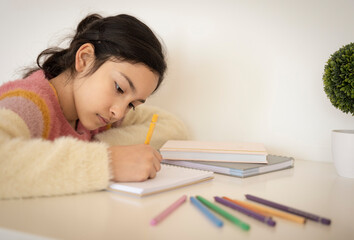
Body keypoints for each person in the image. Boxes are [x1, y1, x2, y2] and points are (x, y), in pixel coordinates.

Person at [0, 13, 188, 199]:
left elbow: (173, 127)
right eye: (119, 88)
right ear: (85, 59)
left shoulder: (98, 115)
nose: (119, 112)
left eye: (132, 104)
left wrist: (102, 146)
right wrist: (108, 162)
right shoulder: (29, 103)